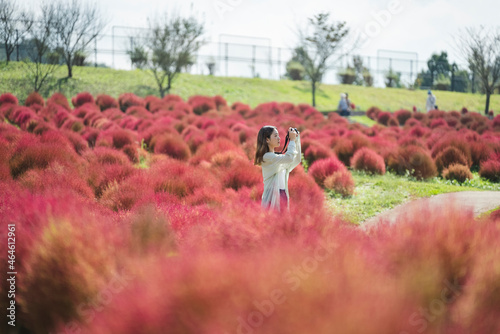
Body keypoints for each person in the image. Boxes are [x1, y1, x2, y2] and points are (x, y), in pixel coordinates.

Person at [254, 126, 302, 212]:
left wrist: (296, 139)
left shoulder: (276, 158)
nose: (279, 138)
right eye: (275, 136)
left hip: (282, 196)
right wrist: (291, 140)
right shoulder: (267, 157)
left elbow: (296, 160)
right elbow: (289, 158)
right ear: (267, 140)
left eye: (278, 135)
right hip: (271, 198)